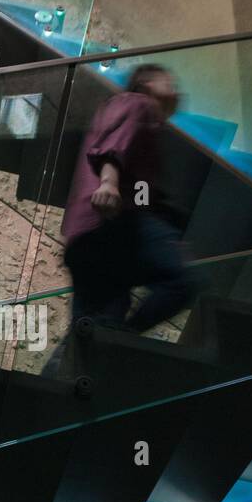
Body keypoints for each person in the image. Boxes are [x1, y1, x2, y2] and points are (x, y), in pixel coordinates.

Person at [59, 64, 194, 336]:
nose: (176, 90)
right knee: (184, 279)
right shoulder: (137, 103)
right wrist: (109, 183)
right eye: (168, 82)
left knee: (92, 327)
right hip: (111, 224)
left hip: (86, 239)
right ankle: (125, 337)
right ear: (145, 85)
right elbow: (113, 147)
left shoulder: (142, 125)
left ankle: (95, 351)